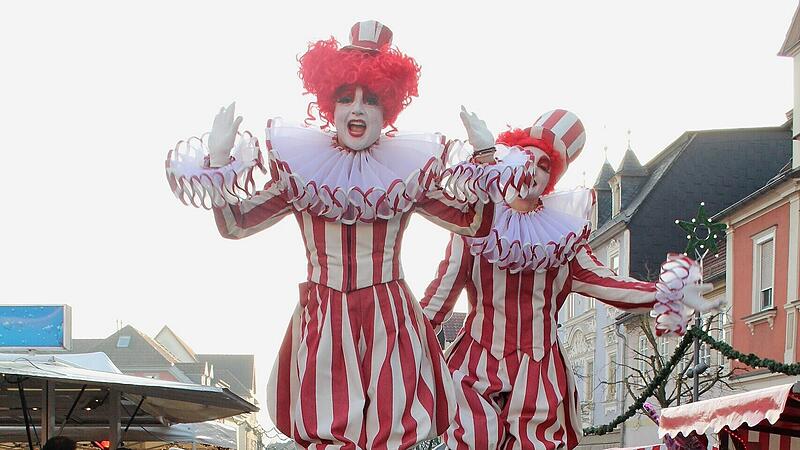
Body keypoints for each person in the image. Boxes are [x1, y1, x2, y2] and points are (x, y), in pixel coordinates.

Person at [165, 21, 498, 450]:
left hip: (389, 318)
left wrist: (486, 157)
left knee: (391, 429)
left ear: (387, 109)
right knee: (327, 428)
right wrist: (218, 159)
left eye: (371, 99)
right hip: (325, 318)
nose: (357, 109)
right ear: (329, 105)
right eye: (346, 97)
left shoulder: (406, 172)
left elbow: (473, 223)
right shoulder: (302, 170)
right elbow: (236, 224)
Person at [420, 110, 721, 450]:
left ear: (550, 179)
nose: (533, 170)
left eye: (544, 165)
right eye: (527, 159)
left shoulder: (562, 240)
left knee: (538, 443)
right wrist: (395, 341)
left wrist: (666, 293)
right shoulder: (476, 226)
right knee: (474, 438)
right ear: (510, 161)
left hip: (538, 368)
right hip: (476, 364)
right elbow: (438, 299)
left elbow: (608, 283)